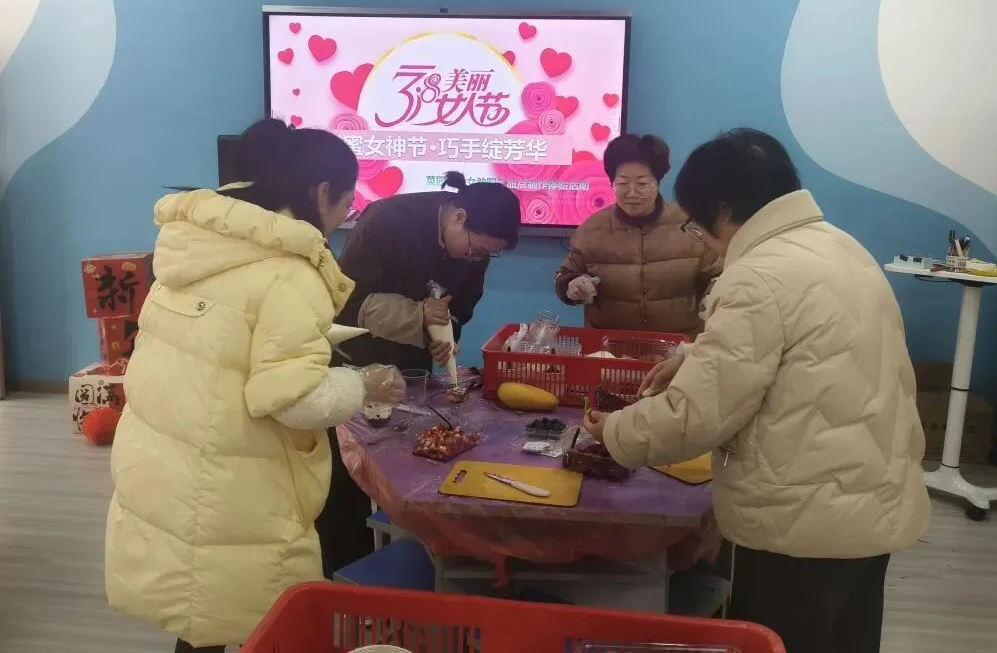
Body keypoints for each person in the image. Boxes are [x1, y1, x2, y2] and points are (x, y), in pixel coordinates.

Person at [583, 128, 930, 653]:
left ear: (723, 210)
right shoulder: (841, 246)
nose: (702, 237)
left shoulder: (757, 276)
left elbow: (696, 416)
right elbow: (806, 351)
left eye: (697, 224)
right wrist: (694, 356)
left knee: (779, 641)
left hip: (799, 520)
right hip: (867, 501)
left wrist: (615, 431)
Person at [105, 119, 406, 653]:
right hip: (230, 475)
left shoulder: (196, 244)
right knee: (249, 616)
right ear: (321, 193)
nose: (344, 218)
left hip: (168, 457)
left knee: (200, 612)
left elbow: (226, 340)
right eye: (345, 204)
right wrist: (363, 385)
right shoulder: (289, 272)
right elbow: (291, 399)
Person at [316, 170, 522, 575]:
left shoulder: (474, 249)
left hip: (410, 366)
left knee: (406, 466)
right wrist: (418, 316)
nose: (476, 259)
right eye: (477, 249)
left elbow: (459, 307)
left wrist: (443, 338)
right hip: (354, 360)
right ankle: (342, 572)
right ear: (459, 217)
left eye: (488, 255)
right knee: (347, 474)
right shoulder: (387, 219)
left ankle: (411, 563)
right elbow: (345, 303)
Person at [554, 133, 721, 334]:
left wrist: (713, 296)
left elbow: (717, 274)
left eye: (642, 184)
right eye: (623, 183)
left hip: (679, 344)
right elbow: (565, 275)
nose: (632, 192)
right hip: (608, 344)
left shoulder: (690, 224)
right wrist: (573, 285)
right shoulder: (591, 229)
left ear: (658, 182)